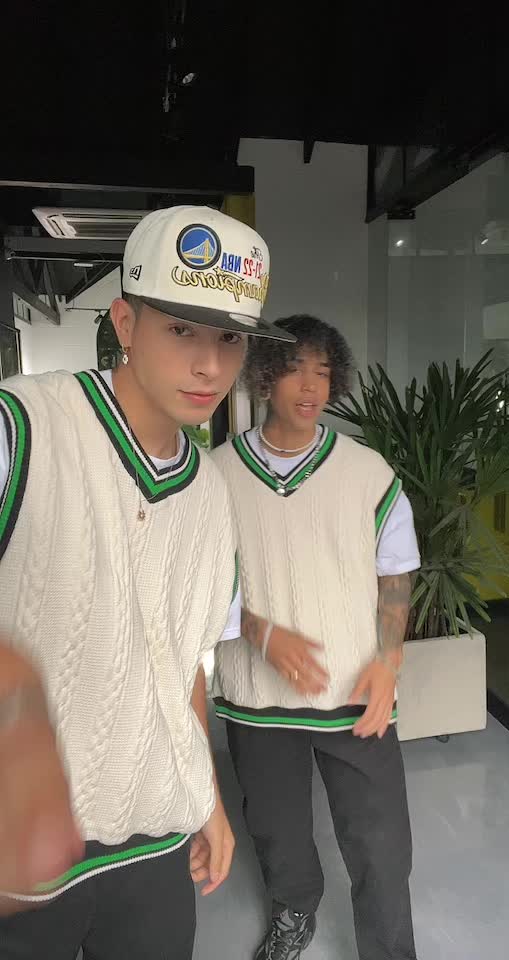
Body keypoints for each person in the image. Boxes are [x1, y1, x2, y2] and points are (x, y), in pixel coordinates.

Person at [0, 205, 294, 959]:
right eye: (182, 330)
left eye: (230, 338)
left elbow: (182, 663)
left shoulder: (210, 496)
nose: (210, 366)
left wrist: (206, 801)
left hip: (153, 842)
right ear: (125, 323)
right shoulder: (25, 429)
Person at [211, 315, 421, 960]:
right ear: (264, 377)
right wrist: (260, 633)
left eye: (323, 373)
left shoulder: (366, 471)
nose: (310, 386)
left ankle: (389, 949)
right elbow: (204, 578)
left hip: (354, 688)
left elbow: (395, 571)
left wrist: (388, 662)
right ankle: (294, 910)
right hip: (257, 695)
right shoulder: (217, 474)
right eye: (295, 369)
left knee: (381, 841)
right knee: (276, 829)